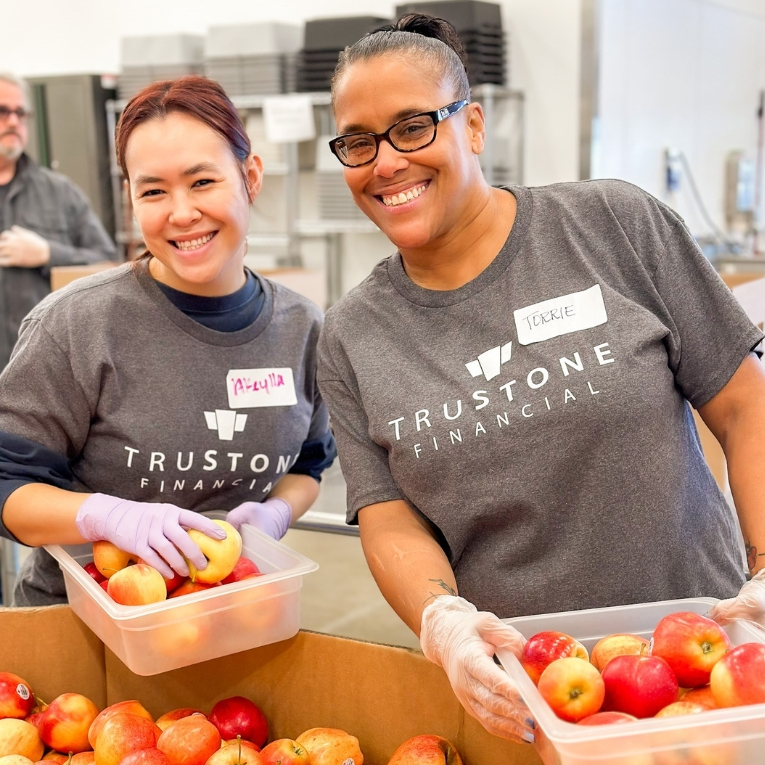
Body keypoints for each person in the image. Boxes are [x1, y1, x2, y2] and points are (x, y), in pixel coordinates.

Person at [316, 14, 765, 744]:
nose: (385, 162)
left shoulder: (612, 226)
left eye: (412, 126)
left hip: (704, 675)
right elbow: (388, 512)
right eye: (358, 142)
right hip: (526, 698)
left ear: (473, 124)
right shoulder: (351, 333)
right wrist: (444, 622)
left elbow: (745, 405)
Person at [0, 76, 335, 607]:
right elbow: (7, 486)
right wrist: (104, 516)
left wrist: (277, 511)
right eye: (153, 190)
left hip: (231, 622)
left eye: (202, 182)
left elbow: (309, 465)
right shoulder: (76, 325)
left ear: (250, 177)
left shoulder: (300, 328)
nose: (181, 213)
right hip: (80, 631)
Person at [0, 73, 116, 371]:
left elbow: (107, 265)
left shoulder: (60, 192)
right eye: (3, 111)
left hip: (43, 370)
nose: (13, 122)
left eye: (20, 113)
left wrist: (48, 254)